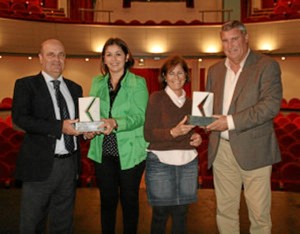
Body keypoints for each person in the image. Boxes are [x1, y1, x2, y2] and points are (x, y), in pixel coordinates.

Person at [205, 20, 282, 234]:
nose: (230, 46)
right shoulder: (214, 70)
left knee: (259, 215)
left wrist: (228, 121)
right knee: (225, 212)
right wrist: (203, 123)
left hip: (254, 149)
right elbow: (208, 107)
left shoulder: (266, 65)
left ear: (246, 38)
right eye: (225, 41)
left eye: (235, 39)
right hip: (221, 150)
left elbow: (269, 106)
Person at [12, 39, 83, 233]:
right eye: (51, 54)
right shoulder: (26, 85)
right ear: (41, 58)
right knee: (32, 222)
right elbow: (20, 119)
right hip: (39, 165)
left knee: (63, 222)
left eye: (61, 54)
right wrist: (60, 127)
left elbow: (77, 123)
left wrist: (87, 131)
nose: (56, 59)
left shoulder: (75, 88)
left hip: (69, 165)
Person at [85, 37, 149, 234]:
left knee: (129, 201)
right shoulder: (97, 82)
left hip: (130, 151)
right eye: (109, 54)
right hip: (103, 150)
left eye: (118, 54)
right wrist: (88, 128)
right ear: (104, 59)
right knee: (107, 200)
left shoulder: (138, 83)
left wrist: (115, 122)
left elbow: (140, 116)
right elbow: (91, 112)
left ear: (127, 57)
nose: (114, 59)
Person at [144, 55, 202, 234]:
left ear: (186, 76)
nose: (176, 77)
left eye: (180, 73)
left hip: (188, 161)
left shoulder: (194, 103)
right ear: (164, 76)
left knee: (182, 214)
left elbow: (192, 131)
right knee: (160, 213)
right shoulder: (156, 98)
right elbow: (148, 133)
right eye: (171, 73)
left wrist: (197, 137)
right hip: (161, 161)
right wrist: (172, 132)